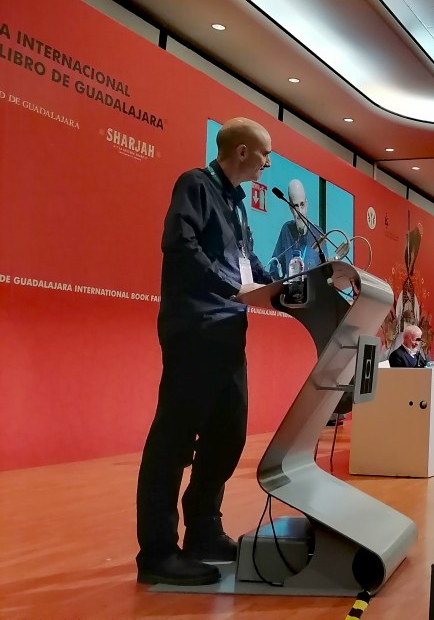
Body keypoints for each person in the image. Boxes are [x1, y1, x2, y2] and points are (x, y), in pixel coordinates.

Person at [136, 117, 273, 586]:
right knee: (173, 442)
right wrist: (231, 285)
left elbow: (247, 263)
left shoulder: (238, 205)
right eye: (265, 154)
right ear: (242, 152)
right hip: (195, 330)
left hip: (229, 332)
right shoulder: (195, 185)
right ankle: (157, 553)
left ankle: (203, 531)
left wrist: (282, 284)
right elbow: (180, 245)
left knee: (228, 434)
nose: (268, 164)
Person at [268, 178, 321, 279]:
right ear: (290, 208)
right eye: (295, 206)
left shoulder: (317, 233)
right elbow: (274, 270)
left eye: (302, 205)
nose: (300, 211)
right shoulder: (287, 229)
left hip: (312, 287)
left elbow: (325, 272)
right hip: (292, 287)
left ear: (307, 205)